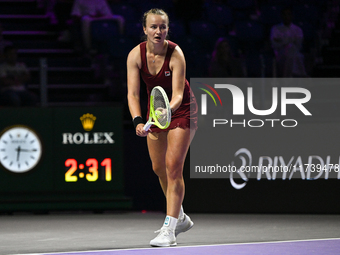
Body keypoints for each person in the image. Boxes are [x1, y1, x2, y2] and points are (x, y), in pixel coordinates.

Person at [127, 9, 198, 247]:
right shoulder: (135, 56)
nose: (159, 31)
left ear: (168, 29)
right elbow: (133, 93)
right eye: (154, 27)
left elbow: (178, 94)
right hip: (155, 111)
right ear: (145, 29)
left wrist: (167, 111)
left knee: (173, 168)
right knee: (159, 168)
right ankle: (181, 217)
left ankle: (169, 229)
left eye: (163, 27)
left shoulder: (176, 54)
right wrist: (138, 120)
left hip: (182, 109)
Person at [270, 8, 307, 77]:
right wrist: (290, 41)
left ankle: (288, 77)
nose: (287, 16)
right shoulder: (275, 29)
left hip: (295, 53)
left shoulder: (297, 29)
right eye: (285, 14)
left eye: (288, 14)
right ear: (281, 16)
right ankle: (302, 74)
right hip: (280, 53)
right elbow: (275, 44)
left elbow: (298, 44)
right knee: (291, 53)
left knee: (292, 55)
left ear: (292, 16)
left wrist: (284, 41)